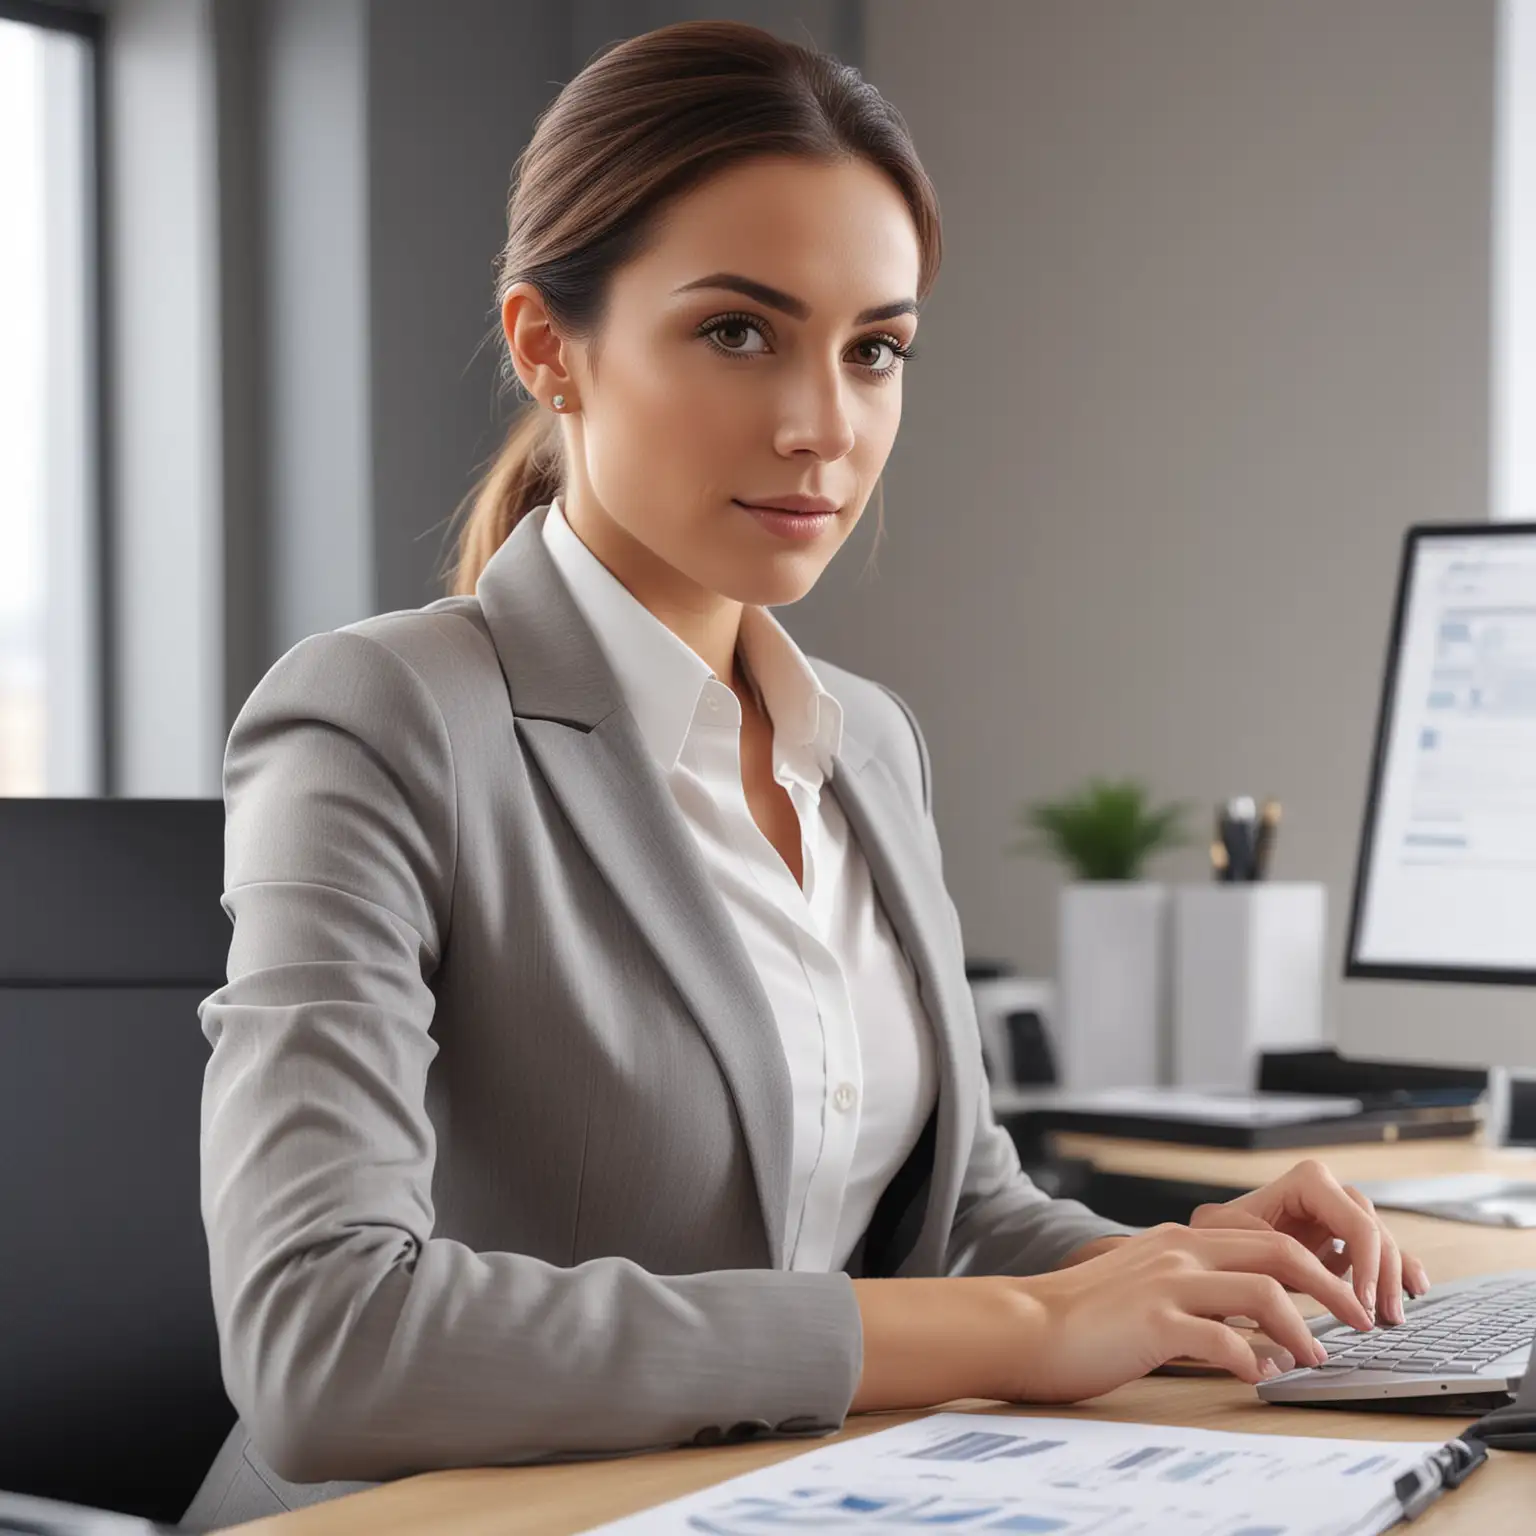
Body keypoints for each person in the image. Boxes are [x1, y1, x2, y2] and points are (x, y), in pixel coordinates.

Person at [182, 20, 1428, 1529]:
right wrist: (1024, 1335)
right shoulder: (382, 716)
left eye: (875, 350)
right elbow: (328, 1342)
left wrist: (1181, 1264)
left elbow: (955, 1221)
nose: (824, 427)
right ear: (545, 345)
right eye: (736, 331)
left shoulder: (866, 741)